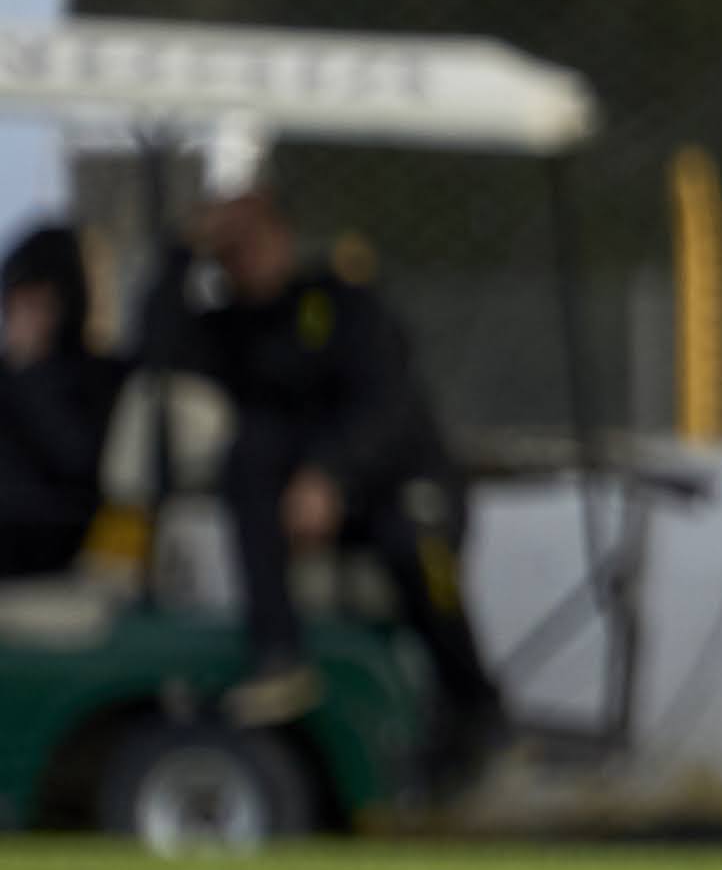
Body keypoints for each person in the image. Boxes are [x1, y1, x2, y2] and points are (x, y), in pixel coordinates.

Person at [146, 165, 499, 754]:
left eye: (256, 234)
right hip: (305, 514)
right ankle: (279, 655)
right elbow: (152, 351)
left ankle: (476, 706)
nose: (247, 254)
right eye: (233, 243)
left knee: (418, 548)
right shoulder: (229, 329)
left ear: (283, 233)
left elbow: (386, 404)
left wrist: (331, 475)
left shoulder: (341, 302)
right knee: (248, 453)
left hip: (401, 487)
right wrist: (183, 248)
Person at [2, 222, 123, 580]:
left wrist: (31, 374)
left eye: (39, 303)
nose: (22, 316)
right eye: (16, 302)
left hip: (52, 526)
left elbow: (78, 460)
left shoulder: (97, 375)